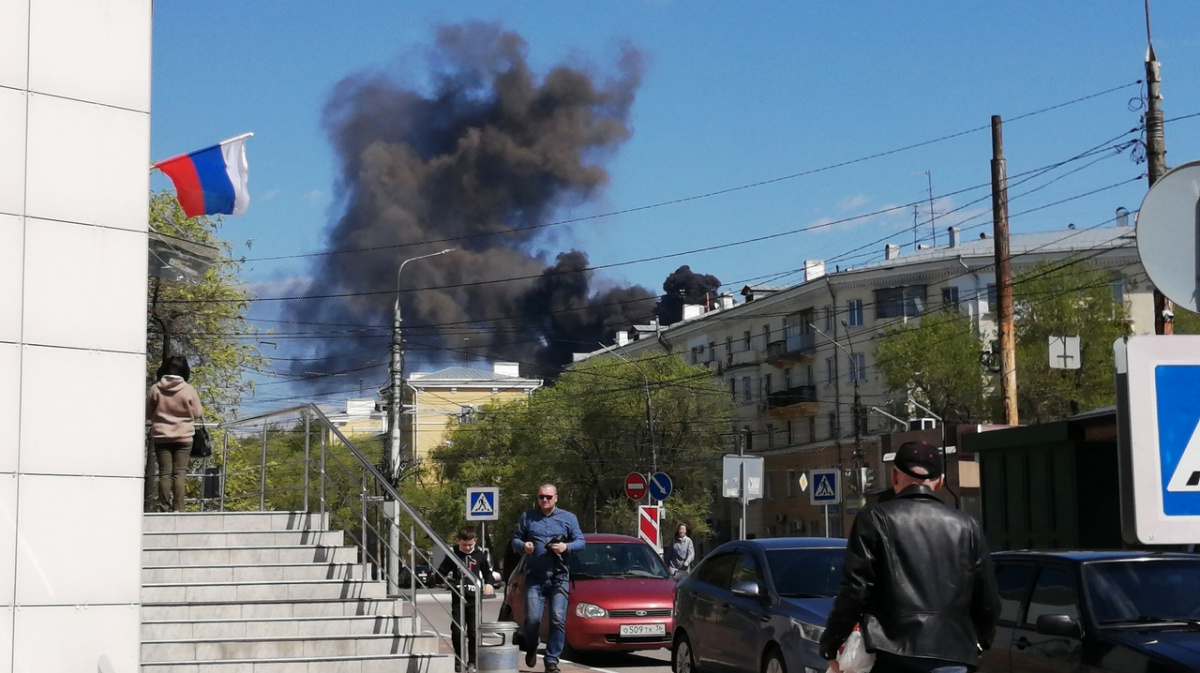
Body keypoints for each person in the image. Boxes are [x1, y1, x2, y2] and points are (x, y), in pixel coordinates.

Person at [820, 441, 1000, 673]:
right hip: (952, 655)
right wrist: (979, 641)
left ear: (894, 476)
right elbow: (988, 600)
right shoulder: (967, 526)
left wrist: (832, 641)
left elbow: (856, 589)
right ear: (940, 482)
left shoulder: (874, 519)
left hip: (893, 652)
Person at [511, 483, 585, 673]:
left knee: (557, 618)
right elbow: (516, 540)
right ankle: (532, 645)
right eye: (541, 497)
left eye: (548, 497)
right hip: (535, 577)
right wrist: (524, 546)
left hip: (559, 577)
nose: (544, 500)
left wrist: (565, 547)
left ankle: (552, 660)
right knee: (533, 618)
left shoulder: (568, 518)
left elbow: (581, 542)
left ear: (556, 498)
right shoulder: (528, 517)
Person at [145, 355, 203, 512]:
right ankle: (179, 508)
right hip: (184, 437)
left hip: (161, 436)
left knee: (164, 473)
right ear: (184, 371)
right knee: (179, 473)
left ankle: (163, 506)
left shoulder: (155, 389)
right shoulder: (189, 389)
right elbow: (197, 413)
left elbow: (148, 414)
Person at [437, 525, 495, 673]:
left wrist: (488, 584)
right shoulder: (453, 555)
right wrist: (447, 581)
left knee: (473, 631)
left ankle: (473, 661)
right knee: (457, 630)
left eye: (470, 545)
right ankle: (459, 659)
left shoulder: (480, 555)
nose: (467, 548)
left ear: (475, 541)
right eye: (464, 545)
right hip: (458, 599)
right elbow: (441, 572)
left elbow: (487, 573)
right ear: (458, 542)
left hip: (474, 599)